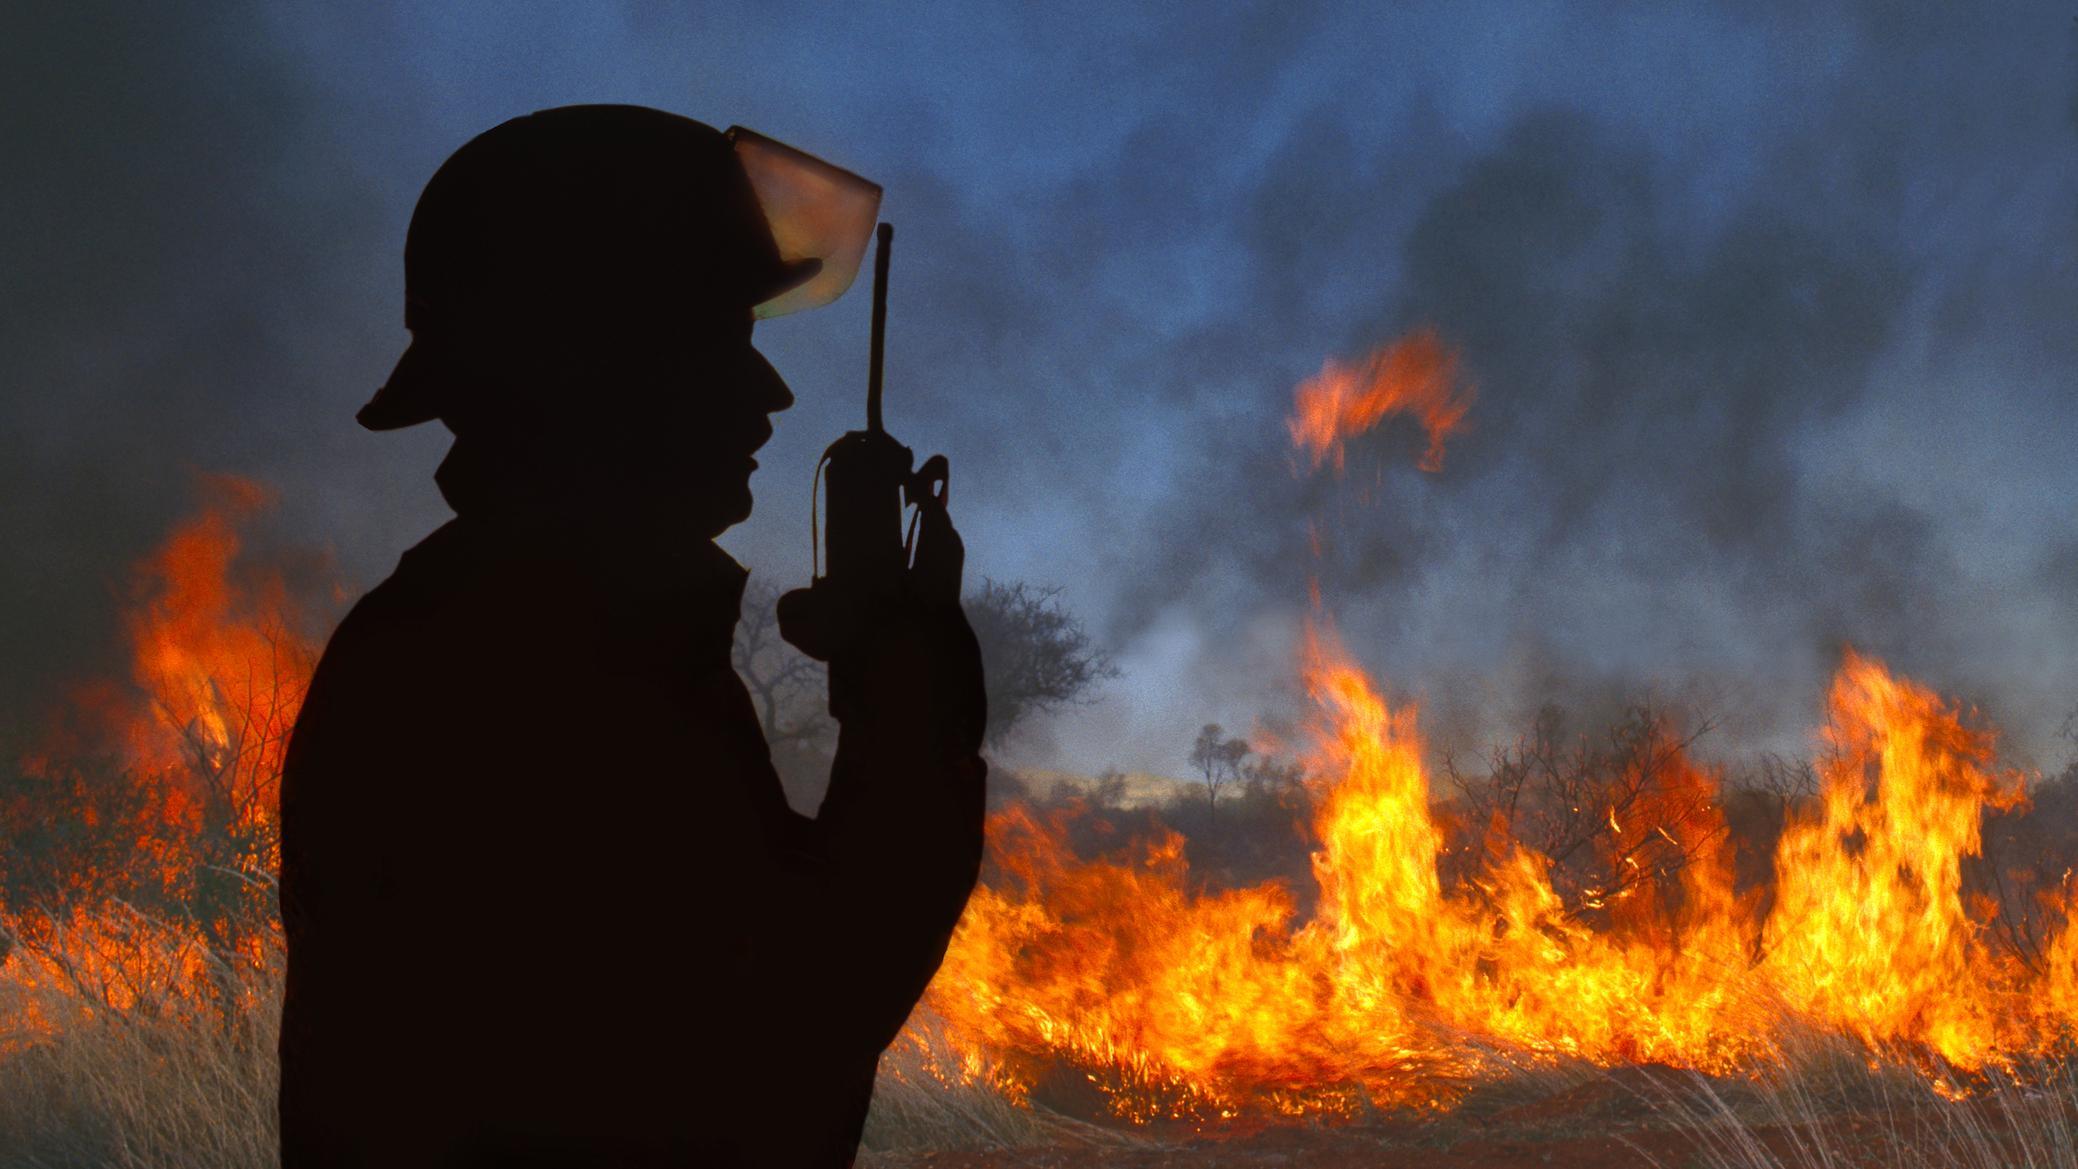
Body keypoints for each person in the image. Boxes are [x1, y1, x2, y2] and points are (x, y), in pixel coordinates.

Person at [277, 104, 987, 1168]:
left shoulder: (514, 623)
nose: (771, 390)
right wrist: (910, 681)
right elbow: (795, 1028)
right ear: (592, 365)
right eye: (717, 341)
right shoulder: (534, 661)